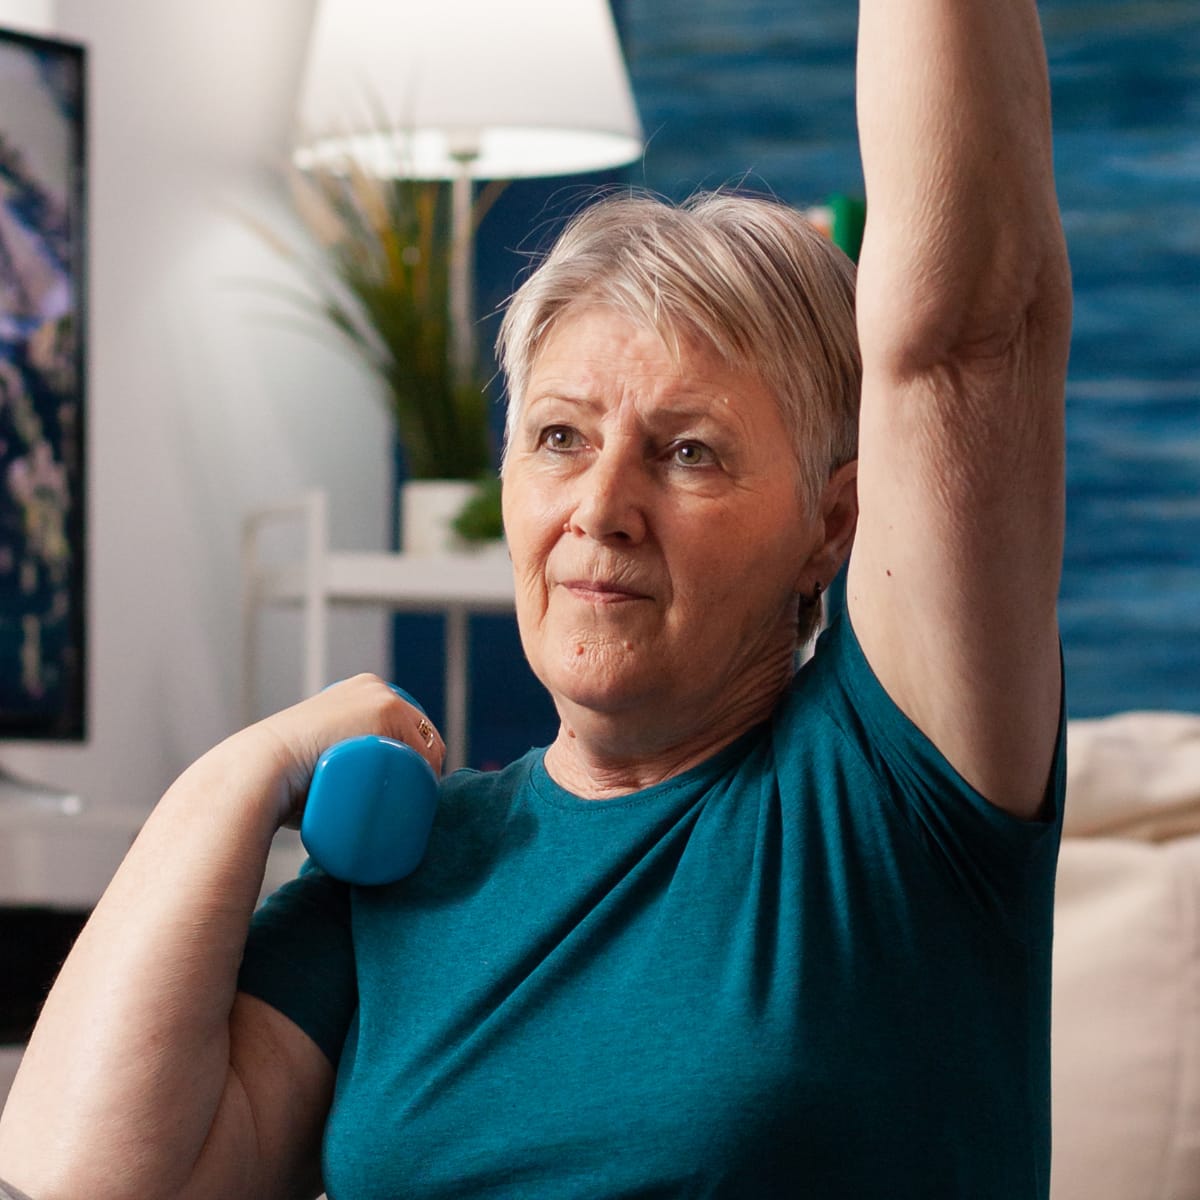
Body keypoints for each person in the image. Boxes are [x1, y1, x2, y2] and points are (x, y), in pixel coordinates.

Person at [0, 1, 1072, 1196]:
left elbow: (970, 336)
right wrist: (237, 776)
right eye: (560, 437)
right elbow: (87, 1180)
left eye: (688, 453)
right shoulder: (410, 866)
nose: (601, 507)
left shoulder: (885, 790)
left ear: (830, 525)